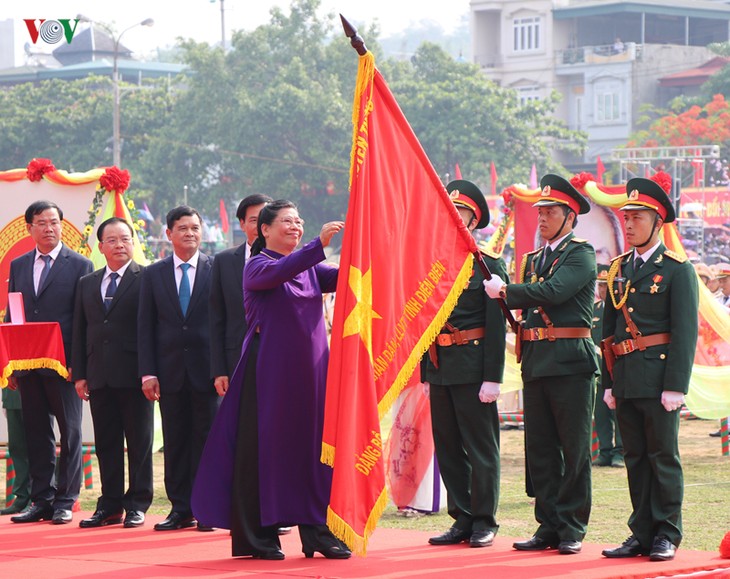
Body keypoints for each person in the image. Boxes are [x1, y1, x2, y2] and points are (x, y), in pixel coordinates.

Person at [191, 200, 349, 560]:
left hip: (310, 376)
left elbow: (346, 276)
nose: (296, 226)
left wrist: (366, 245)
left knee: (313, 454)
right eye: (287, 222)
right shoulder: (257, 266)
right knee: (263, 455)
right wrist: (317, 246)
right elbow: (282, 271)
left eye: (299, 221)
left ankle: (317, 533)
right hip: (268, 377)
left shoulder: (310, 267)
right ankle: (258, 538)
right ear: (264, 230)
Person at [483, 174, 598, 555]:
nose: (543, 218)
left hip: (570, 363)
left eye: (550, 212)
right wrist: (508, 295)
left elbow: (554, 292)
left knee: (573, 449)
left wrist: (507, 291)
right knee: (542, 450)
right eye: (541, 211)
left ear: (570, 216)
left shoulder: (580, 253)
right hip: (538, 361)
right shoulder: (535, 258)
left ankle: (571, 526)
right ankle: (547, 524)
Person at [601, 173, 699, 562]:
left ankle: (666, 533)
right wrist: (609, 382)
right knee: (635, 458)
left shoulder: (677, 269)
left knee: (662, 457)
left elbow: (685, 332)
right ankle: (641, 532)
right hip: (625, 377)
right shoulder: (618, 268)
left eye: (637, 218)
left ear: (658, 222)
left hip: (659, 380)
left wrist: (675, 385)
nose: (629, 224)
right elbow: (608, 332)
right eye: (626, 218)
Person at [423, 180, 508, 549]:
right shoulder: (431, 265)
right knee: (448, 446)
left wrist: (492, 378)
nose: (452, 221)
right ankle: (462, 517)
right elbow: (425, 320)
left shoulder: (487, 264)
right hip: (441, 366)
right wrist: (427, 372)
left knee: (480, 447)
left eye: (459, 215)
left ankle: (485, 520)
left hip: (474, 367)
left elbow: (495, 325)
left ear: (473, 221)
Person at [6, 200, 93, 524]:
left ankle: (65, 501)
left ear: (61, 225)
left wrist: (79, 363)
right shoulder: (18, 265)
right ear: (29, 227)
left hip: (64, 364)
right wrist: (12, 362)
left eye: (54, 222)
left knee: (69, 433)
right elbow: (12, 314)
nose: (49, 228)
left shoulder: (80, 265)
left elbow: (84, 319)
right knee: (36, 431)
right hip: (28, 364)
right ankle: (41, 499)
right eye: (41, 223)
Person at [137, 205, 218, 532]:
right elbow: (145, 327)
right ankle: (180, 509)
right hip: (169, 373)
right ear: (169, 234)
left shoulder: (217, 269)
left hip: (210, 373)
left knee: (206, 442)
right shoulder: (153, 274)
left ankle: (206, 509)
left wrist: (223, 367)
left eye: (195, 228)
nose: (190, 233)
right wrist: (148, 372)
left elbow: (225, 323)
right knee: (175, 441)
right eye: (182, 228)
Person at [72, 217, 153, 529]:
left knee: (139, 443)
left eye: (126, 239)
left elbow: (152, 328)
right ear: (101, 246)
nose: (121, 245)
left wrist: (150, 372)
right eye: (113, 240)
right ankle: (110, 505)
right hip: (99, 374)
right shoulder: (87, 283)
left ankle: (138, 503)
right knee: (106, 443)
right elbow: (81, 331)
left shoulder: (146, 278)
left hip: (136, 375)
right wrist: (80, 374)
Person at [209, 194, 272, 397]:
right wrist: (219, 370)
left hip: (277, 356)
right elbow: (216, 319)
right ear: (242, 224)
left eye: (266, 218)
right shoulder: (223, 261)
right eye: (254, 220)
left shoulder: (288, 261)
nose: (261, 225)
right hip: (237, 359)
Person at [592, 265, 624, 468]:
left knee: (618, 411)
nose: (603, 290)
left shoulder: (619, 309)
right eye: (601, 286)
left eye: (606, 285)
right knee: (601, 412)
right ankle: (604, 450)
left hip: (616, 365)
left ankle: (620, 451)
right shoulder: (593, 310)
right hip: (598, 368)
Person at [0, 388, 30, 515]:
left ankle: (37, 497)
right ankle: (22, 496)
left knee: (37, 447)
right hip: (10, 389)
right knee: (17, 446)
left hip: (33, 384)